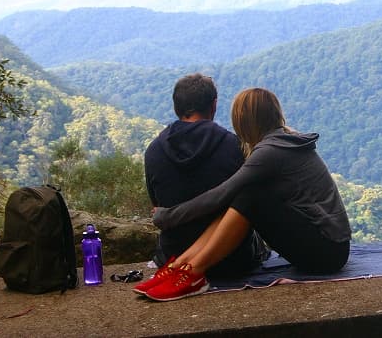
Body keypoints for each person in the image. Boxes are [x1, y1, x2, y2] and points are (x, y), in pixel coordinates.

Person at [135, 87, 351, 302]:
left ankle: (193, 273)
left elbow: (220, 194)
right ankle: (180, 266)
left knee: (249, 196)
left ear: (244, 120)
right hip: (329, 246)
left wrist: (168, 216)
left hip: (327, 253)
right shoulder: (282, 140)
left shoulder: (270, 152)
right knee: (243, 196)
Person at [144, 74, 268, 280]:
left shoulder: (154, 151)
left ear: (177, 108)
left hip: (174, 255)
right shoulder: (233, 145)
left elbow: (156, 202)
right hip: (235, 260)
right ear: (214, 105)